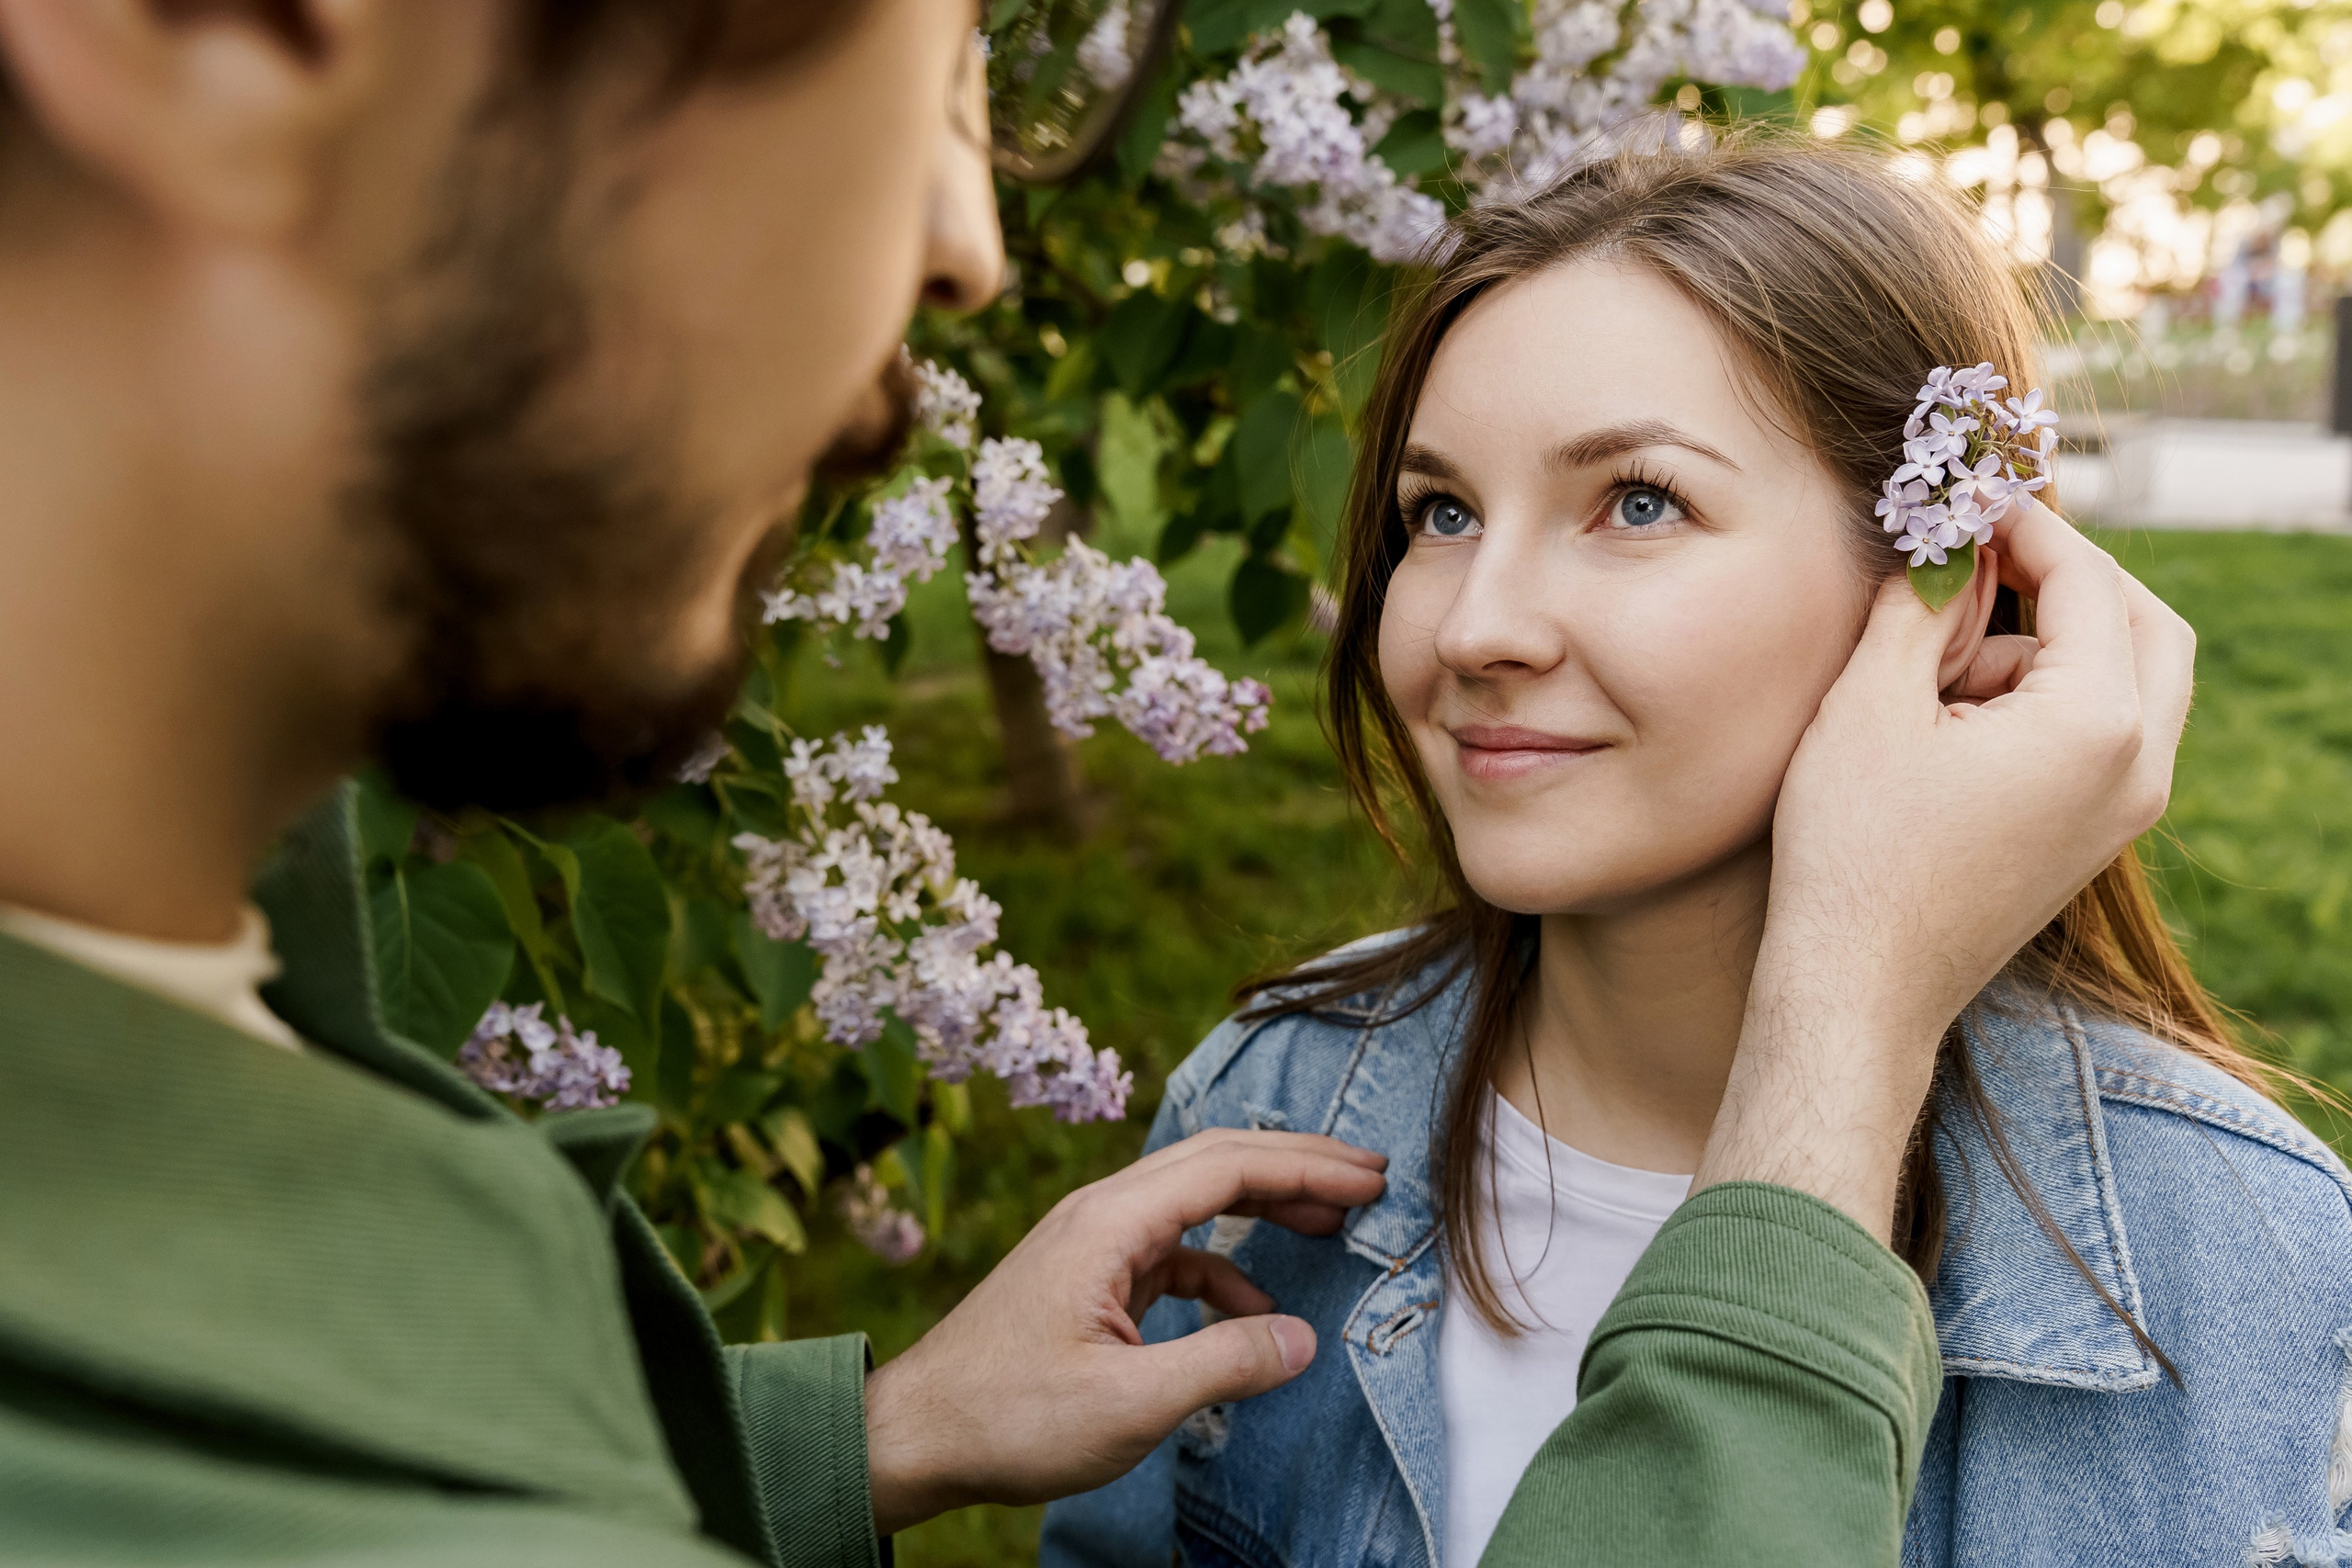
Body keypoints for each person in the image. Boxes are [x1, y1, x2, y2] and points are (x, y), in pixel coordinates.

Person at [0, 4, 2196, 1565]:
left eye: (1632, 501)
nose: (968, 231)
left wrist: (851, 1443)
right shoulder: (1299, 1110)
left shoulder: (2223, 1245)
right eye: (925, 56)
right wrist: (1834, 1046)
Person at [1038, 138, 2352, 1568]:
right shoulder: (1266, 1102)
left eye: (1639, 502)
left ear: (1949, 589)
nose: (1476, 627)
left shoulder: (2250, 1263)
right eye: (1442, 511)